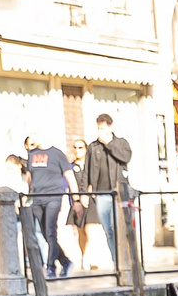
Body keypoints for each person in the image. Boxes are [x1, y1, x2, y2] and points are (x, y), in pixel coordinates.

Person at [78, 112, 132, 270]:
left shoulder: (120, 143)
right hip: (101, 193)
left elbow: (125, 158)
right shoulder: (93, 147)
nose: (100, 131)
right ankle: (116, 261)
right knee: (108, 229)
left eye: (103, 128)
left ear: (110, 126)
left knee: (119, 227)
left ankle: (125, 260)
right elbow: (86, 171)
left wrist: (109, 144)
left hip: (118, 193)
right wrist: (84, 192)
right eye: (98, 128)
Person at [21, 135, 75, 279]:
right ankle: (65, 261)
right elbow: (29, 177)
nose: (33, 139)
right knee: (46, 234)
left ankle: (51, 267)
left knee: (51, 232)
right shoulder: (32, 155)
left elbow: (69, 176)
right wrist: (26, 195)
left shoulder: (57, 154)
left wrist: (75, 198)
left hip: (53, 197)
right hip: (36, 198)